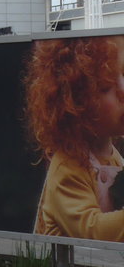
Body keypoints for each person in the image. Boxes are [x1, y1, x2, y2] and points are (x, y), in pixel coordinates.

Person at [27, 36, 124, 241]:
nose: (123, 90)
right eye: (106, 87)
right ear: (75, 105)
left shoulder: (113, 156)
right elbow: (92, 233)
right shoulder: (67, 167)